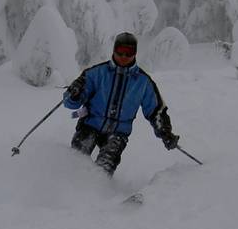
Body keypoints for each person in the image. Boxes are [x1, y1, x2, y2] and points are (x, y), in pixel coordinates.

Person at [63, 32, 179, 176]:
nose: (124, 56)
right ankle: (70, 183)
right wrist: (74, 93)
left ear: (135, 53)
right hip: (90, 125)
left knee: (104, 169)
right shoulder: (96, 73)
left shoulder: (143, 82)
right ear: (114, 50)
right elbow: (69, 103)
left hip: (118, 133)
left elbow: (156, 110)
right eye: (120, 51)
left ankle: (95, 188)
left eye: (129, 52)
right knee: (76, 161)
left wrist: (165, 132)